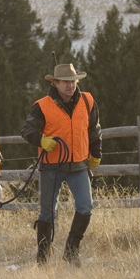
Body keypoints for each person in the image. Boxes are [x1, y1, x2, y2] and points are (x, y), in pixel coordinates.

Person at [21, 63, 102, 266]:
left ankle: (72, 252)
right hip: (51, 167)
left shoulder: (88, 101)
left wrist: (96, 154)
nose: (70, 85)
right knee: (47, 213)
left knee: (86, 208)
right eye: (66, 82)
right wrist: (41, 140)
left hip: (79, 166)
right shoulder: (42, 106)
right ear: (55, 83)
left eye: (73, 81)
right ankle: (42, 258)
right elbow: (27, 130)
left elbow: (94, 129)